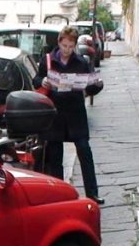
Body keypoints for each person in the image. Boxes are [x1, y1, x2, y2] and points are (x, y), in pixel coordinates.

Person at [34, 25, 104, 204]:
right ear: (59, 43)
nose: (67, 50)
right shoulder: (48, 60)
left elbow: (91, 85)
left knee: (85, 152)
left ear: (75, 46)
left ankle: (92, 193)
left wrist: (96, 84)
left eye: (71, 47)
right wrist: (42, 80)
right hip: (55, 113)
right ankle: (59, 194)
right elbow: (36, 80)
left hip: (75, 114)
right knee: (55, 155)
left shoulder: (81, 62)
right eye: (65, 46)